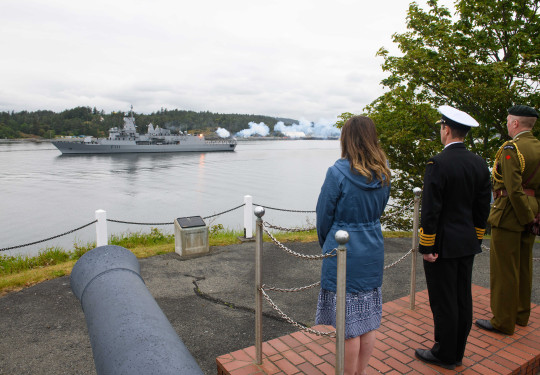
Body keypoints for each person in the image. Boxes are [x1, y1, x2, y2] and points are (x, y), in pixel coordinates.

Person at [414, 105, 491, 370]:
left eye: (441, 128)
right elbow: (483, 208)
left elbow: (431, 210)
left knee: (444, 301)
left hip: (442, 246)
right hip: (467, 242)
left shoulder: (438, 163)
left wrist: (427, 245)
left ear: (446, 130)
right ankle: (457, 351)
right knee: (462, 298)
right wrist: (476, 238)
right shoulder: (480, 163)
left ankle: (445, 354)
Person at [315, 115, 391, 375]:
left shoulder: (337, 172)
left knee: (347, 327)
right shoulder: (383, 171)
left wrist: (326, 244)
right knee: (367, 323)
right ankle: (361, 372)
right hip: (372, 247)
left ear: (346, 138)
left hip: (344, 251)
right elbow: (379, 210)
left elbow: (324, 216)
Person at [476, 105, 540, 335]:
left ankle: (503, 321)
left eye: (507, 121)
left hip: (511, 214)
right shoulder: (538, 147)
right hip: (531, 211)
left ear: (514, 123)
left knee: (504, 270)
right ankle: (521, 315)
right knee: (523, 266)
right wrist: (534, 216)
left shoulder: (511, 148)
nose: (507, 124)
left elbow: (513, 189)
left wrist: (526, 217)